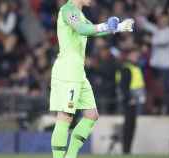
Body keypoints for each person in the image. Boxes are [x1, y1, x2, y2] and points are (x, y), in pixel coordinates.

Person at [49, 1, 134, 158]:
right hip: (67, 71)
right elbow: (82, 29)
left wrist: (119, 27)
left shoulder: (80, 14)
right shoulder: (68, 10)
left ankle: (70, 156)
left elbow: (92, 30)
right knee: (65, 116)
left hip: (78, 73)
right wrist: (105, 26)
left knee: (91, 115)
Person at [137, 13, 169, 115]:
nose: (161, 22)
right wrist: (140, 15)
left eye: (164, 20)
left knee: (167, 90)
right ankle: (154, 110)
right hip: (155, 66)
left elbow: (161, 41)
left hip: (166, 67)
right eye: (160, 20)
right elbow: (147, 25)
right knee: (154, 90)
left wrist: (149, 39)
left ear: (168, 22)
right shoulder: (158, 30)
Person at [119, 48, 146, 154]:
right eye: (134, 55)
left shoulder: (134, 67)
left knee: (131, 126)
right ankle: (126, 151)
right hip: (130, 102)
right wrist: (130, 98)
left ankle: (127, 151)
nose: (136, 57)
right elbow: (124, 86)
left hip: (135, 101)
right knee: (128, 127)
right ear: (129, 56)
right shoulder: (127, 68)